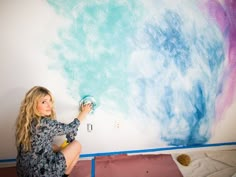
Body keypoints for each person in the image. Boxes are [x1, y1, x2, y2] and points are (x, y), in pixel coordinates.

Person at [15, 86, 91, 177]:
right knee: (76, 145)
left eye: (50, 101)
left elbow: (41, 145)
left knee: (54, 146)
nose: (49, 105)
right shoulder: (44, 123)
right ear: (33, 105)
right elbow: (70, 128)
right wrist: (84, 112)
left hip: (24, 172)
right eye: (44, 102)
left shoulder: (26, 122)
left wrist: (61, 149)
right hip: (42, 173)